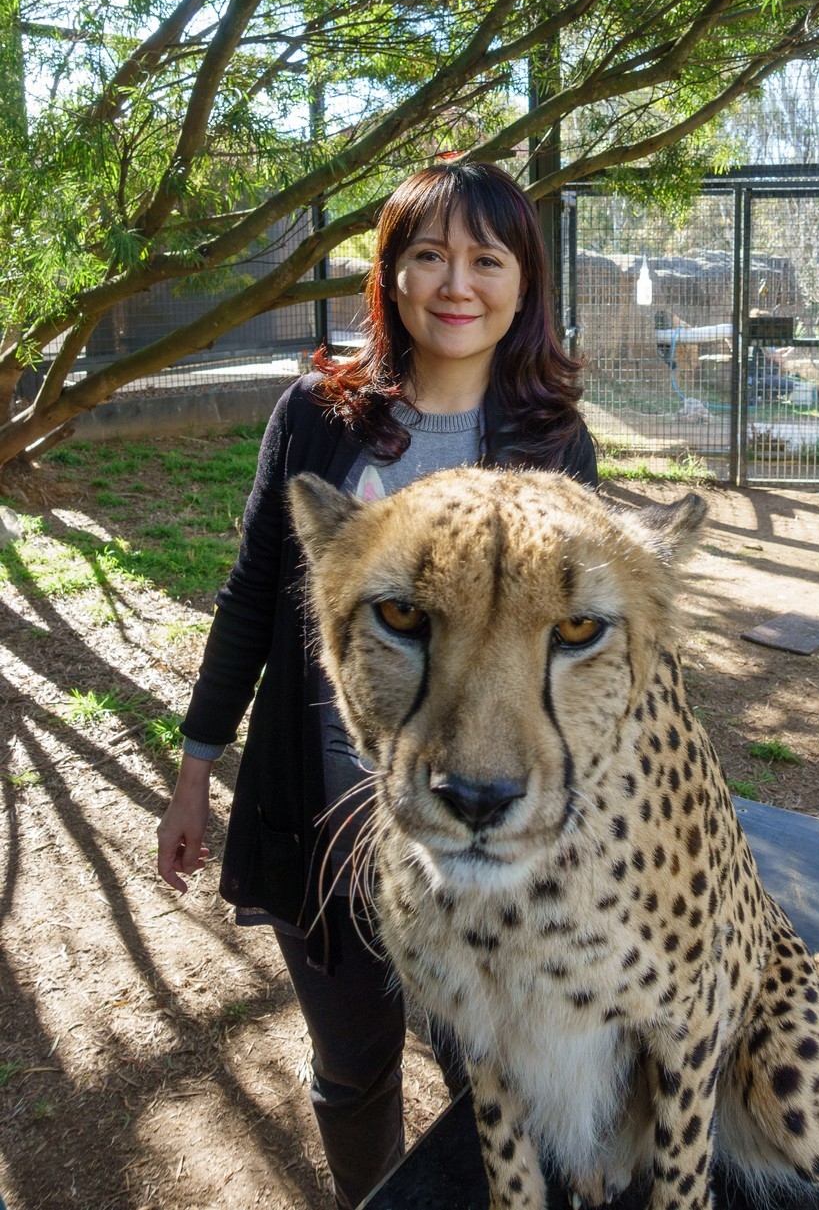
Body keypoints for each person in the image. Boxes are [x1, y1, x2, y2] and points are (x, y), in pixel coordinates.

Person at [156, 161, 597, 1209]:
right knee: (351, 1070)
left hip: (478, 856)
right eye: (428, 254)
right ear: (390, 275)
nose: (457, 282)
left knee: (481, 1080)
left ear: (522, 283)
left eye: (486, 259)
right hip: (325, 824)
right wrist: (193, 772)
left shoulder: (553, 443)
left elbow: (585, 655)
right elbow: (252, 595)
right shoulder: (316, 416)